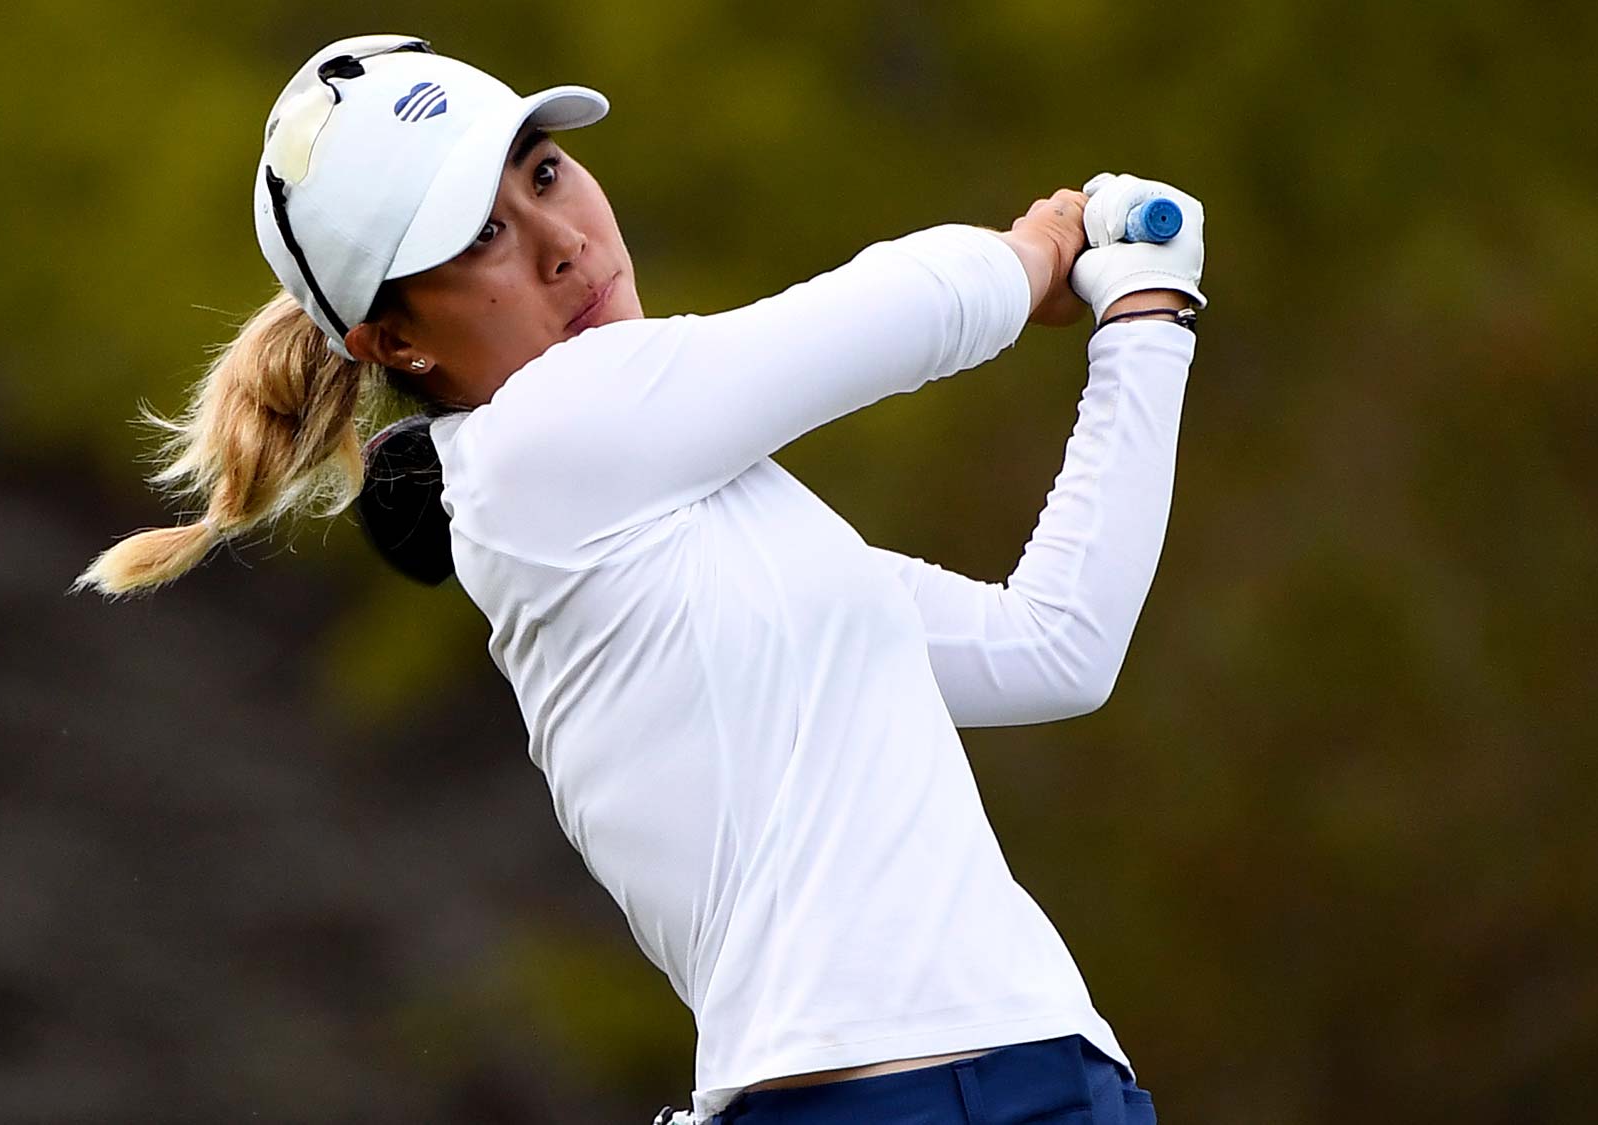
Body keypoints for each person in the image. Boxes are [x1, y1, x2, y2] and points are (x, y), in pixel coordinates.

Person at [77, 34, 1206, 1125]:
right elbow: (917, 307)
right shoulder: (540, 448)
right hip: (888, 1098)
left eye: (546, 172)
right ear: (390, 343)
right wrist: (1045, 243)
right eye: (478, 236)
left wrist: (1146, 324)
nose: (561, 240)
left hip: (1052, 1078)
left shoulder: (696, 511)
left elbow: (1053, 646)